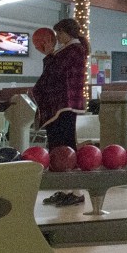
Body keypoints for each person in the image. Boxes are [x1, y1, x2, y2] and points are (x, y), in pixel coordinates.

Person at [34, 18, 90, 208]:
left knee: (66, 148)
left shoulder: (74, 50)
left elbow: (55, 72)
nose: (56, 37)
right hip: (59, 105)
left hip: (65, 105)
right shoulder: (65, 51)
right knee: (57, 147)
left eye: (59, 33)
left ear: (68, 32)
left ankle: (76, 191)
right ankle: (65, 189)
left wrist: (49, 55)